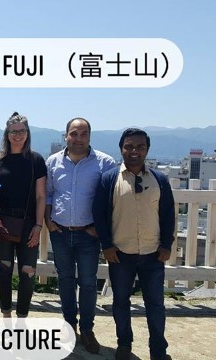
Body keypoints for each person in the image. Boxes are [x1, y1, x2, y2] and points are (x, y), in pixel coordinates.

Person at [93, 128, 174, 360]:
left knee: (156, 305)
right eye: (129, 146)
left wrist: (166, 245)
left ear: (147, 149)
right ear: (121, 149)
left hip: (153, 253)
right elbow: (99, 214)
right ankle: (124, 344)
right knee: (120, 302)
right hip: (121, 252)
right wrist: (106, 245)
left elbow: (168, 214)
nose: (134, 151)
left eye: (140, 146)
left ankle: (158, 350)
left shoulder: (159, 179)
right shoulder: (109, 179)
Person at [45, 117, 116, 354]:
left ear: (90, 136)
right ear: (66, 135)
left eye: (83, 134)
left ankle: (87, 329)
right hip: (61, 231)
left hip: (89, 234)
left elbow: (110, 199)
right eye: (73, 134)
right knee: (65, 280)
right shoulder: (53, 162)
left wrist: (100, 227)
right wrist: (48, 220)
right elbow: (47, 195)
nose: (78, 138)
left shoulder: (104, 163)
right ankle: (68, 325)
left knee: (87, 283)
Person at [0, 112, 47, 318]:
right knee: (4, 270)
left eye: (22, 131)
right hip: (2, 222)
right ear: (7, 133)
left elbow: (41, 196)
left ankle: (22, 318)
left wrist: (38, 226)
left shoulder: (36, 160)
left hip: (29, 222)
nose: (17, 135)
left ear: (27, 133)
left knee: (28, 272)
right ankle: (5, 315)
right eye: (13, 131)